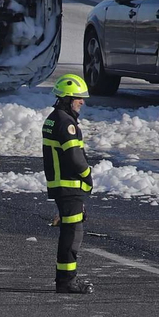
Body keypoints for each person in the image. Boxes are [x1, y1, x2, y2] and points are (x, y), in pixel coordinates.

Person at [43, 73, 94, 294]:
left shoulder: (54, 119)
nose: (82, 101)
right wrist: (88, 176)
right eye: (77, 97)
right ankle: (67, 281)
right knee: (73, 234)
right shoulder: (66, 123)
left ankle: (65, 279)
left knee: (70, 232)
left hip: (61, 185)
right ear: (66, 98)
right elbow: (75, 157)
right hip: (69, 186)